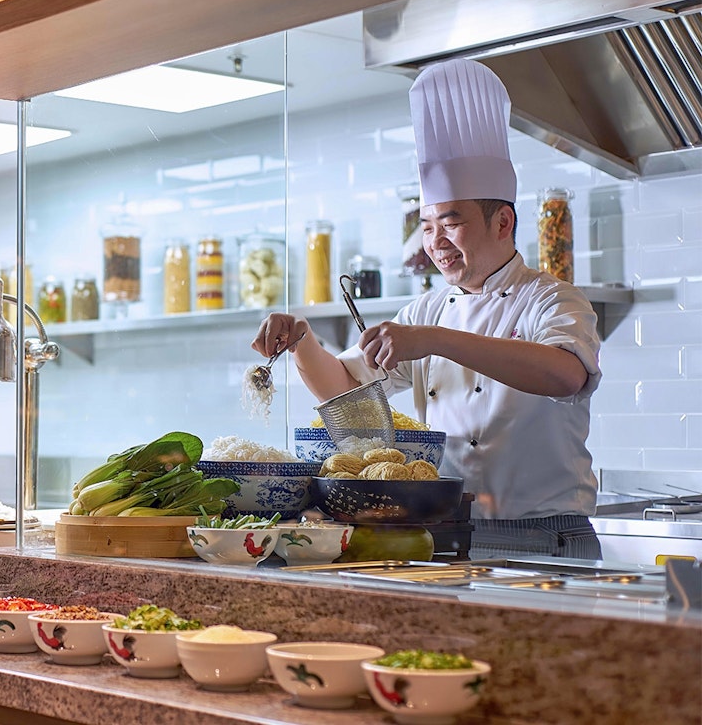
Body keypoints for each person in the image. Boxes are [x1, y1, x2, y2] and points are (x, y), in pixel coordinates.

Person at [253, 59, 603, 559]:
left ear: (503, 222)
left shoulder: (552, 298)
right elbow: (348, 390)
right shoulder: (426, 308)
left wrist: (434, 340)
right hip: (445, 533)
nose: (434, 243)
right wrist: (302, 341)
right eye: (427, 225)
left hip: (544, 536)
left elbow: (565, 374)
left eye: (451, 223)